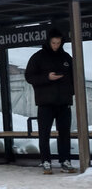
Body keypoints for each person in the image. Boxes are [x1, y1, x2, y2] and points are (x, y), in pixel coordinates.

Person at [25, 27, 77, 174]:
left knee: (65, 133)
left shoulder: (66, 58)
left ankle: (65, 161)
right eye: (53, 42)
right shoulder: (38, 57)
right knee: (44, 133)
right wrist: (47, 78)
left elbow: (76, 77)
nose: (56, 45)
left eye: (58, 43)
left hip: (64, 102)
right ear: (48, 42)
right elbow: (29, 76)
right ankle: (46, 161)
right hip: (45, 103)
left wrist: (70, 92)